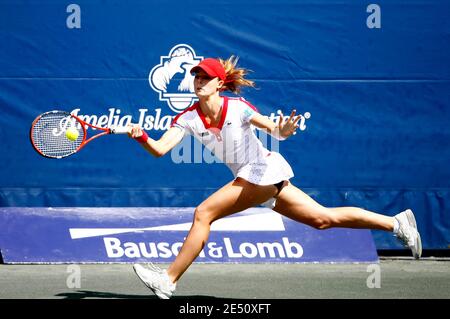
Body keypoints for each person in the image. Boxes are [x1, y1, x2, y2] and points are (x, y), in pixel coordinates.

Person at [128, 56, 422, 299]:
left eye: (205, 77)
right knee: (322, 219)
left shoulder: (239, 108)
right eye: (196, 77)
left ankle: (168, 280)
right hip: (264, 181)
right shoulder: (188, 118)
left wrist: (284, 130)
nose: (199, 82)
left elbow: (274, 130)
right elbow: (160, 149)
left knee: (203, 213)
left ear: (220, 84)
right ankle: (397, 223)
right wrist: (142, 136)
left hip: (262, 171)